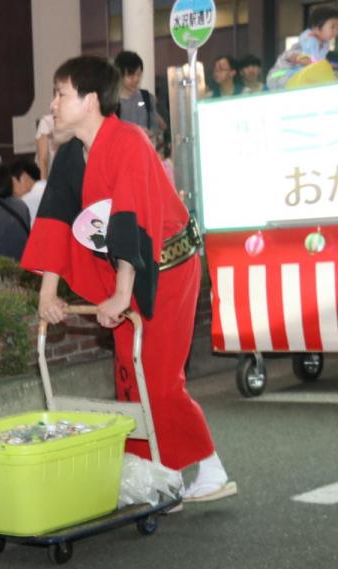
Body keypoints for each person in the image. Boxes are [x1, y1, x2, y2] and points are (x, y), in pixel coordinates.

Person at [22, 55, 236, 503]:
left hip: (168, 270)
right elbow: (55, 222)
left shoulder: (130, 142)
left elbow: (130, 221)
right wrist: (47, 292)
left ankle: (209, 466)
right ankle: (160, 473)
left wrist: (122, 293)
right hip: (126, 274)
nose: (53, 104)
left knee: (157, 379)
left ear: (91, 99)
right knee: (130, 378)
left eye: (61, 94)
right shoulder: (68, 157)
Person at [267, 6, 338, 89]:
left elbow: (317, 64)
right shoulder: (307, 41)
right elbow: (294, 56)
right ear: (317, 28)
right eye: (332, 27)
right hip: (278, 75)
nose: (336, 31)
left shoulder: (323, 47)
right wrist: (297, 58)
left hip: (298, 77)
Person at [114, 50, 165, 146]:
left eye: (138, 74)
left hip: (145, 153)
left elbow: (156, 127)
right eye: (130, 76)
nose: (136, 79)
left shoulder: (147, 98)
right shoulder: (112, 103)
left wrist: (150, 132)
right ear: (119, 75)